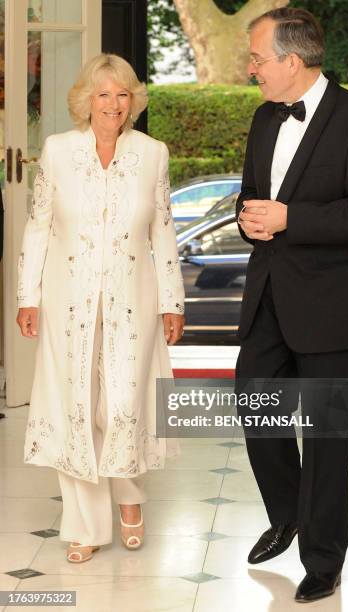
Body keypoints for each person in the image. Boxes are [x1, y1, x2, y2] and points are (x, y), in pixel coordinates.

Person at [235, 7, 348, 603]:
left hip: (330, 303)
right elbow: (251, 194)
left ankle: (323, 561)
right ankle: (289, 510)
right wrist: (250, 217)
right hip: (269, 295)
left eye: (257, 58)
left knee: (326, 436)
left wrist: (289, 218)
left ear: (291, 61)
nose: (251, 69)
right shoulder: (262, 118)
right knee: (255, 403)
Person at [16, 53, 185, 563]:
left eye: (122, 94)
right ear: (85, 100)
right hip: (68, 299)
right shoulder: (58, 150)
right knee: (76, 407)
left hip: (134, 300)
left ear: (133, 101)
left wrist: (173, 300)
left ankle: (129, 496)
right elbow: (40, 225)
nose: (113, 103)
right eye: (103, 93)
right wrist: (28, 296)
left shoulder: (152, 153)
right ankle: (84, 525)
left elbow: (163, 230)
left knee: (122, 404)